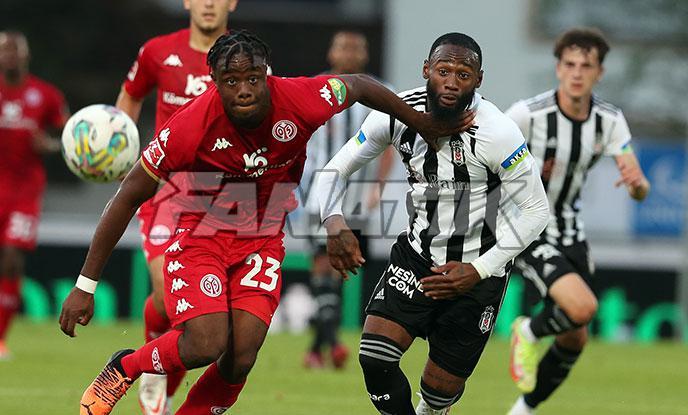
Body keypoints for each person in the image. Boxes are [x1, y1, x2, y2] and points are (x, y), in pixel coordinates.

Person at [59, 30, 474, 415]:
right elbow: (127, 196)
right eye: (231, 80)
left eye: (253, 78)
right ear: (214, 81)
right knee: (206, 342)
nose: (243, 90)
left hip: (261, 240)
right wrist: (84, 285)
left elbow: (361, 85)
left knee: (241, 357)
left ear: (266, 74)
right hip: (202, 236)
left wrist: (419, 122)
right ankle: (126, 367)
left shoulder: (301, 98)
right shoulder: (188, 127)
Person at [314, 32, 550, 414]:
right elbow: (334, 170)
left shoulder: (498, 132)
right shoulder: (395, 114)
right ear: (427, 69)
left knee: (438, 395)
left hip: (479, 272)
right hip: (418, 258)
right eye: (443, 70)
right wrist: (333, 219)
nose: (452, 82)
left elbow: (537, 211)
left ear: (479, 80)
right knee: (375, 356)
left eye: (464, 74)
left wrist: (478, 269)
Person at [504, 27, 650, 415]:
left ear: (599, 73)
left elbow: (637, 184)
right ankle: (528, 332)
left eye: (586, 66)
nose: (577, 73)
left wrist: (637, 185)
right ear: (557, 68)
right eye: (570, 64)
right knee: (583, 307)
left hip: (571, 229)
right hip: (527, 224)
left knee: (575, 338)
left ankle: (524, 409)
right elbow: (484, 154)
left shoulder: (609, 120)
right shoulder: (527, 115)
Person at [115, 0, 237, 412]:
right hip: (167, 189)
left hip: (225, 198)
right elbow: (129, 99)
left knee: (200, 315)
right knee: (169, 300)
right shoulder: (156, 52)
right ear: (186, 2)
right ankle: (154, 369)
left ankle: (162, 390)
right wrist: (121, 149)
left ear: (231, 3)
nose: (208, 4)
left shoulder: (244, 59)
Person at [302, 30, 396, 370]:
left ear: (365, 54)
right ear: (331, 51)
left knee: (341, 264)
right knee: (322, 261)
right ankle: (333, 342)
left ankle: (319, 345)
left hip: (358, 195)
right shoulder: (312, 88)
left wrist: (379, 187)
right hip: (319, 189)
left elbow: (388, 143)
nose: (349, 52)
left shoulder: (378, 92)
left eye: (357, 46)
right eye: (343, 45)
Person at [0, 31, 68, 360]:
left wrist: (50, 146)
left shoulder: (46, 95)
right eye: (4, 51)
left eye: (15, 50)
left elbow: (73, 140)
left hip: (25, 192)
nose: (9, 56)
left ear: (26, 56)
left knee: (12, 259)